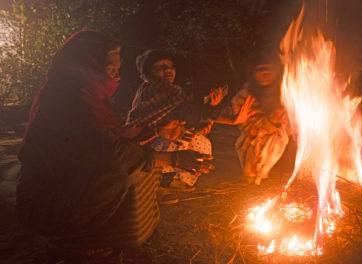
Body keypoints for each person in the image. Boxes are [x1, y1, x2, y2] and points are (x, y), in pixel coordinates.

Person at [15, 31, 213, 262]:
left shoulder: (83, 95)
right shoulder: (71, 102)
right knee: (129, 172)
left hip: (64, 189)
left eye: (118, 70)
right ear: (88, 66)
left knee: (136, 165)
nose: (116, 77)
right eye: (110, 69)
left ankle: (94, 239)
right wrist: (175, 160)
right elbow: (111, 155)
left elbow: (107, 141)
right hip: (45, 202)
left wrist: (155, 132)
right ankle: (79, 244)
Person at [126, 49, 254, 191]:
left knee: (200, 142)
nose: (168, 69)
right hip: (144, 144)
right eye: (160, 67)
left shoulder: (172, 91)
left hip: (160, 139)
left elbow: (191, 121)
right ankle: (160, 181)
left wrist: (211, 107)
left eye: (170, 66)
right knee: (179, 139)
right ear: (147, 75)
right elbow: (185, 112)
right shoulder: (151, 88)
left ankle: (179, 182)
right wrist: (229, 119)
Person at [232, 51, 292, 185]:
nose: (265, 73)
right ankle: (256, 178)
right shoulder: (244, 98)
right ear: (252, 73)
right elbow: (247, 127)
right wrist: (271, 122)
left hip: (288, 140)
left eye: (269, 69)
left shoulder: (287, 93)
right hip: (256, 142)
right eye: (260, 69)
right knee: (269, 141)